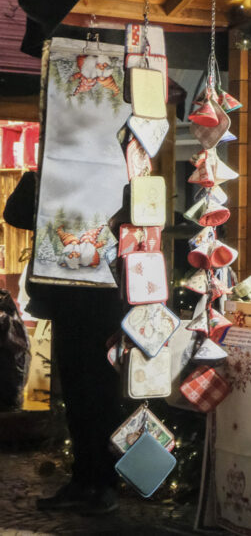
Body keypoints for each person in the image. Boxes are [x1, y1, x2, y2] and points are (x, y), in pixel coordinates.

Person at [3, 171, 122, 515]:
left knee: (98, 396)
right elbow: (15, 213)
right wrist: (44, 180)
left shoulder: (111, 177)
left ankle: (102, 484)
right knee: (77, 396)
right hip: (65, 302)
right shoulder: (51, 175)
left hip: (102, 303)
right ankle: (84, 481)